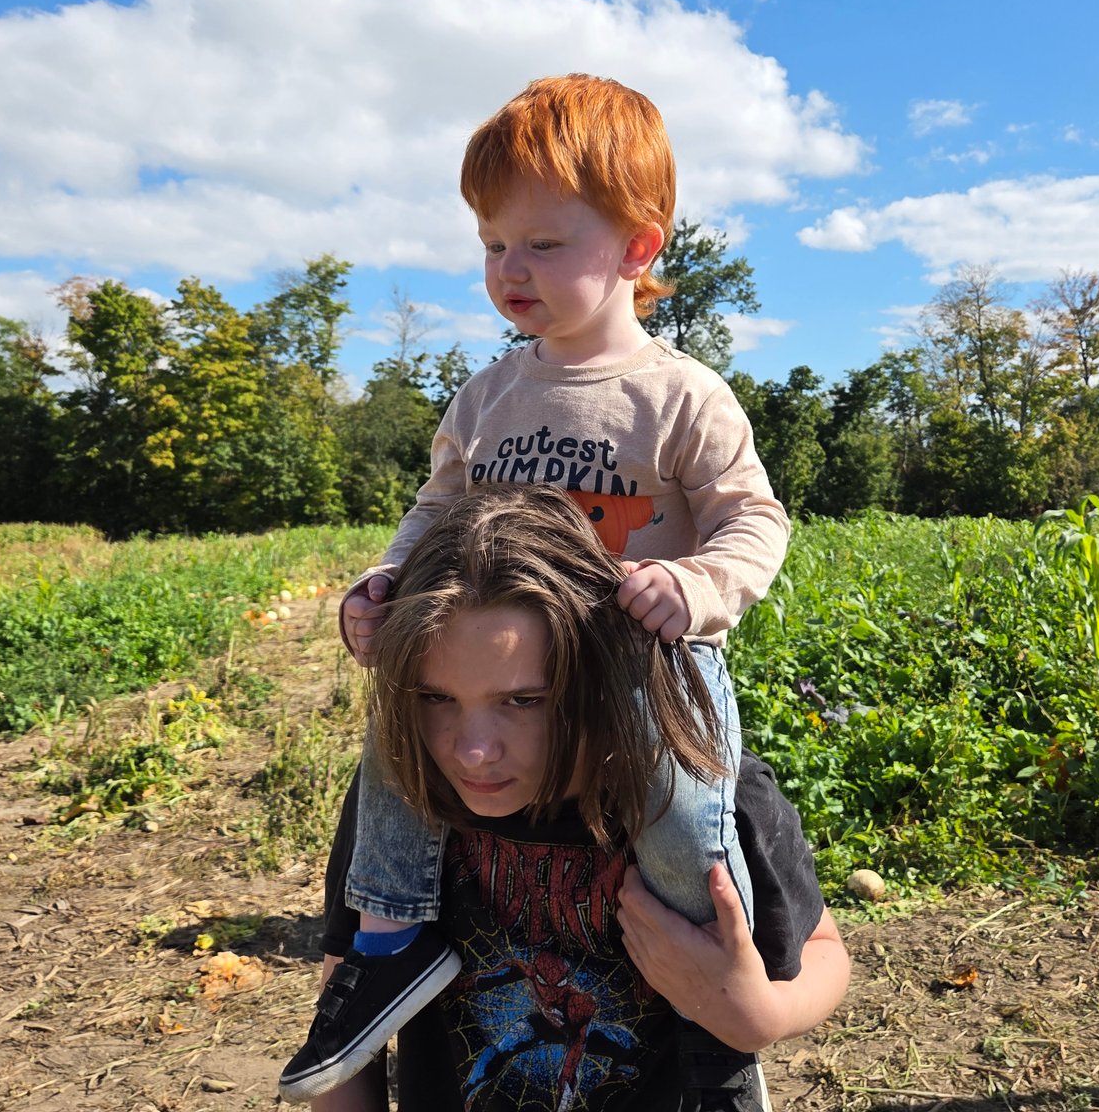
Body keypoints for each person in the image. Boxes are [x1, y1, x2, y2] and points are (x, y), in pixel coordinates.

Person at [282, 73, 791, 1106]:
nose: (509, 268)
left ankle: (707, 989)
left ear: (637, 248)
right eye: (492, 244)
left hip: (640, 660)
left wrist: (695, 587)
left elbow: (755, 520)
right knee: (397, 737)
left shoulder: (680, 396)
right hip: (499, 662)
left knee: (684, 799)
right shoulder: (488, 396)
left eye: (543, 243)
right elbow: (435, 510)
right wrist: (385, 584)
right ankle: (385, 943)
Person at [301, 488, 846, 1111]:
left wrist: (761, 1015)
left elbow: (822, 950)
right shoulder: (404, 799)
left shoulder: (709, 797)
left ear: (596, 676)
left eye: (524, 701)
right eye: (436, 698)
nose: (473, 752)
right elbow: (346, 1032)